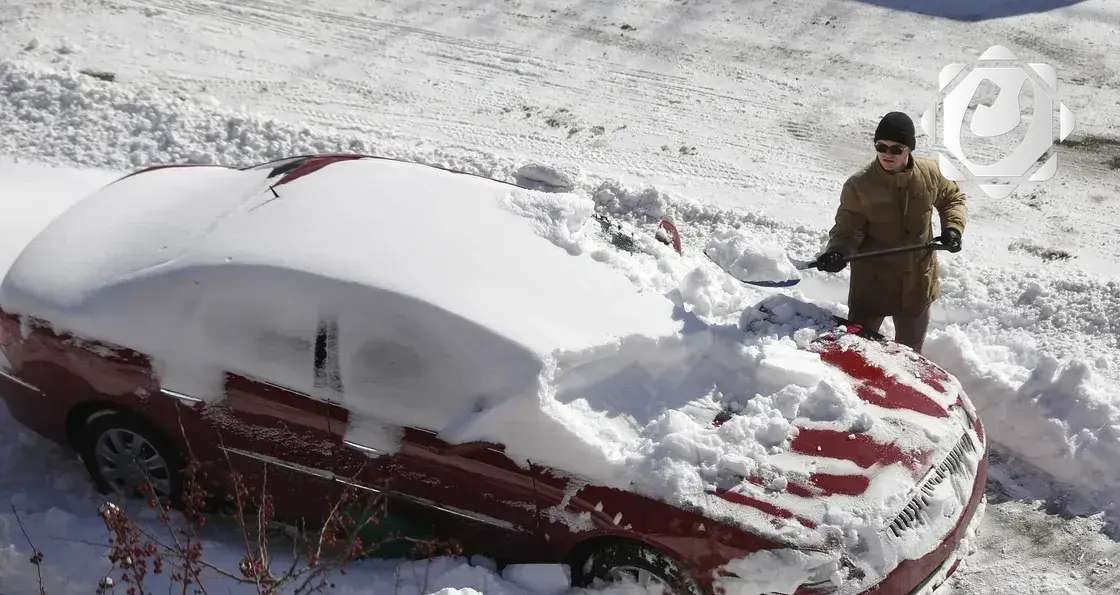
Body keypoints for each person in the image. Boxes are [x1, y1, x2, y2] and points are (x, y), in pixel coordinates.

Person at [816, 111, 967, 354]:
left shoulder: (930, 173)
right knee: (858, 349)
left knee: (910, 353)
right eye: (881, 146)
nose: (887, 153)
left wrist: (953, 228)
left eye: (896, 148)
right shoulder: (859, 185)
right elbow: (846, 229)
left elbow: (952, 198)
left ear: (909, 149)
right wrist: (837, 252)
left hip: (917, 283)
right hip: (873, 284)